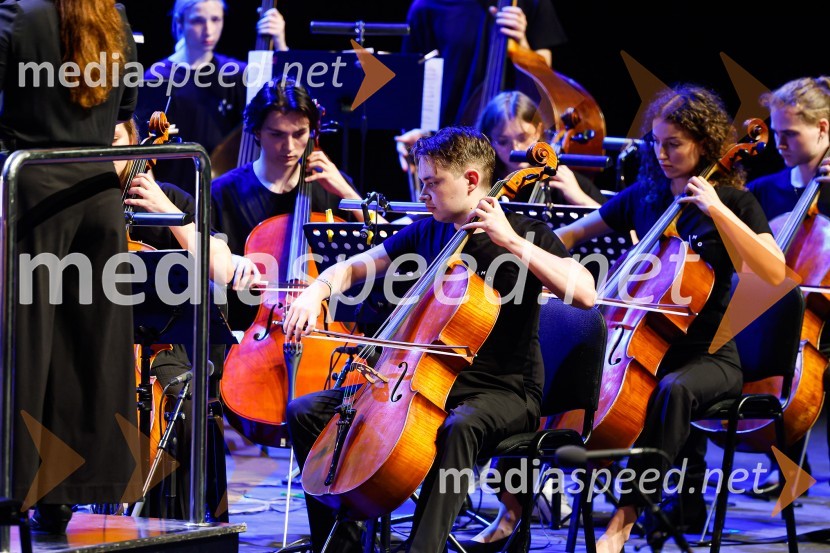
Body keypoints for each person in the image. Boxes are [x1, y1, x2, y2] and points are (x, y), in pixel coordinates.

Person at [284, 126, 597, 553]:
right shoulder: (430, 229)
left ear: (470, 180)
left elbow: (585, 293)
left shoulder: (526, 232)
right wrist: (317, 290)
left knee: (461, 426)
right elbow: (359, 265)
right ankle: (341, 545)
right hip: (422, 382)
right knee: (305, 411)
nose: (424, 192)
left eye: (433, 182)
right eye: (422, 182)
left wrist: (509, 241)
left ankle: (423, 548)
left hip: (503, 390)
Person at [554, 84, 786, 553]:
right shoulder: (648, 195)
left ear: (704, 144)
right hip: (645, 347)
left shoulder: (734, 203)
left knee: (673, 390)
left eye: (674, 143)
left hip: (712, 355)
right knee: (559, 364)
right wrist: (524, 249)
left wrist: (716, 210)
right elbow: (575, 232)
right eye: (656, 142)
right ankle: (519, 506)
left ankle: (622, 522)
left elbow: (774, 268)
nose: (661, 153)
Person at [0, 0, 137, 533]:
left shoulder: (16, 13)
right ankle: (64, 497)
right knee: (86, 348)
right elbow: (125, 106)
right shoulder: (114, 14)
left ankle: (10, 485)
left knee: (24, 343)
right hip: (97, 193)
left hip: (30, 187)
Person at [113, 117, 245, 519]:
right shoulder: (79, 202)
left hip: (160, 342)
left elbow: (222, 271)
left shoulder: (169, 197)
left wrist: (168, 212)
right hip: (92, 343)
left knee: (175, 404)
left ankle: (167, 521)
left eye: (115, 140)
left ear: (135, 144)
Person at [211, 76, 364, 329]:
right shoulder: (222, 192)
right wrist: (229, 261)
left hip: (318, 326)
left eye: (300, 133)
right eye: (277, 134)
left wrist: (348, 192)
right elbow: (196, 254)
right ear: (257, 131)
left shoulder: (331, 185)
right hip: (247, 329)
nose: (290, 147)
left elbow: (389, 245)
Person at [744, 76, 830, 497]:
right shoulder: (765, 190)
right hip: (789, 324)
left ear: (823, 128)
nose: (779, 143)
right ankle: (790, 471)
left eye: (790, 134)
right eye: (775, 133)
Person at [137, 0, 289, 191]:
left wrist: (280, 44)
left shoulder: (235, 73)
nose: (208, 30)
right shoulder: (157, 78)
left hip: (223, 194)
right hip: (173, 192)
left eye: (216, 19)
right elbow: (142, 148)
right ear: (179, 22)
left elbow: (287, 99)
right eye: (198, 21)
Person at [402, 0, 566, 128]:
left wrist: (521, 44)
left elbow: (546, 77)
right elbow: (411, 82)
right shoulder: (427, 6)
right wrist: (413, 131)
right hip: (449, 138)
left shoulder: (531, 2)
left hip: (517, 135)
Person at [478, 90, 605, 206]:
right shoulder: (482, 181)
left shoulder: (561, 179)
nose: (515, 148)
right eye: (503, 141)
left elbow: (613, 224)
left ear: (538, 131)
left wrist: (579, 197)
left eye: (523, 138)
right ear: (490, 140)